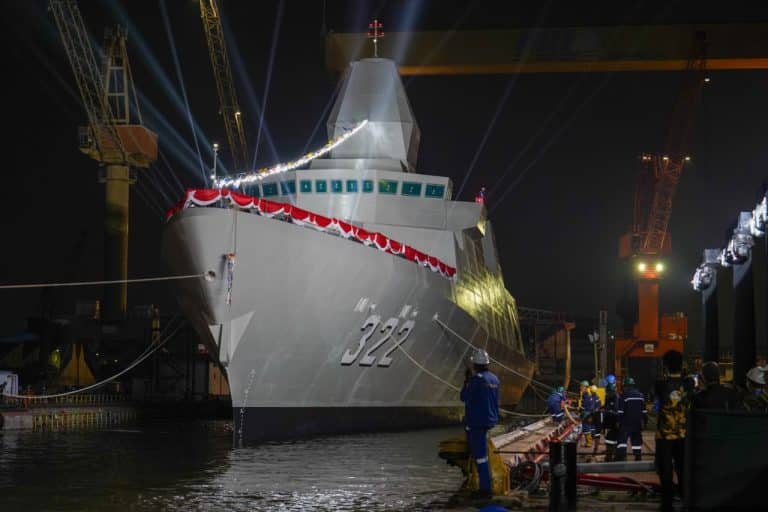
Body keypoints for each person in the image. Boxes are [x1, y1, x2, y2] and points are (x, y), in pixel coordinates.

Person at [460, 348, 500, 499]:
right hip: (490, 419)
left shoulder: (476, 380)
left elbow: (464, 397)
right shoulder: (495, 379)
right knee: (482, 454)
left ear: (475, 365)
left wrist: (466, 382)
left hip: (476, 422)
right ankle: (482, 483)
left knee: (480, 457)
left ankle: (485, 489)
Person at [654, 349, 691, 512]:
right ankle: (685, 499)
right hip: (683, 434)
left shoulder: (660, 384)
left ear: (665, 366)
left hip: (664, 435)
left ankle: (667, 504)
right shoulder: (688, 384)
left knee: (665, 470)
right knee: (682, 468)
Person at [615, 376, 647, 461]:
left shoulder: (624, 396)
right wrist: (645, 421)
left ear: (626, 386)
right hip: (637, 423)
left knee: (622, 440)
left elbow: (620, 411)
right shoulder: (641, 395)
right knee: (636, 440)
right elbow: (644, 411)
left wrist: (618, 421)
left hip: (626, 423)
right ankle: (638, 456)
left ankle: (621, 456)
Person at [602, 382, 620, 461]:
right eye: (607, 392)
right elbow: (606, 407)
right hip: (609, 422)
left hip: (615, 422)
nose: (608, 394)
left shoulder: (617, 398)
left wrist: (608, 411)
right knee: (609, 440)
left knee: (614, 440)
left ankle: (615, 456)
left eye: (609, 392)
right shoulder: (608, 397)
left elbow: (617, 412)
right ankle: (609, 455)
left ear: (613, 391)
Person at [578, 380, 594, 448]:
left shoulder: (586, 396)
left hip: (586, 414)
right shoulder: (587, 394)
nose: (580, 388)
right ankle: (588, 442)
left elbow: (584, 407)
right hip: (587, 414)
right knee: (586, 428)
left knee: (586, 428)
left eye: (581, 386)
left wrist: (579, 409)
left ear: (585, 387)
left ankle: (589, 443)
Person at [589, 385, 603, 454]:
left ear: (591, 391)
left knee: (593, 427)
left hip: (594, 414)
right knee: (596, 428)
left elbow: (592, 407)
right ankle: (596, 440)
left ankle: (594, 440)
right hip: (598, 415)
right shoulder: (597, 397)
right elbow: (600, 405)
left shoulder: (591, 398)